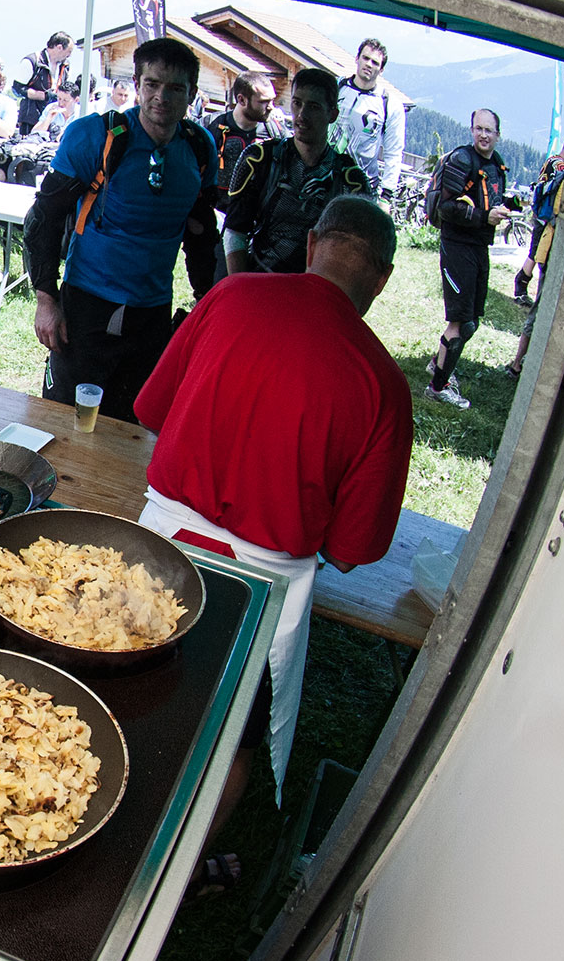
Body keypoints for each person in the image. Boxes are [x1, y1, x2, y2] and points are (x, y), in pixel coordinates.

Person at [134, 196, 412, 834]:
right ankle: (188, 861)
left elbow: (153, 412)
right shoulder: (383, 386)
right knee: (235, 735)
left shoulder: (230, 297)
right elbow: (350, 549)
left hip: (159, 540)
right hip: (261, 586)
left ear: (313, 244)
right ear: (383, 278)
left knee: (129, 669)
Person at [23, 36, 220, 422]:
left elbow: (201, 234)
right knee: (66, 418)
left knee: (135, 423)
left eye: (175, 88)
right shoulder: (95, 136)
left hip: (152, 312)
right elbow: (43, 219)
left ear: (192, 93)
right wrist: (46, 300)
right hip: (87, 305)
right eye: (152, 84)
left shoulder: (199, 148)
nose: (161, 97)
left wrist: (206, 305)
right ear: (137, 83)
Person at [222, 68, 372, 275]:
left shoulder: (349, 179)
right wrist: (238, 285)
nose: (302, 115)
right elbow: (235, 230)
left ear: (332, 114)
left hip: (317, 286)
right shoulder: (259, 159)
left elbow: (357, 249)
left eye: (314, 107)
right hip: (259, 277)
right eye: (297, 103)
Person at [422, 108, 518, 408]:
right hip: (458, 245)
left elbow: (490, 200)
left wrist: (510, 206)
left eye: (489, 130)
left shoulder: (496, 164)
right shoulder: (462, 160)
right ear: (471, 130)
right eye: (478, 129)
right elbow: (447, 209)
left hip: (478, 246)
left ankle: (439, 364)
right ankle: (437, 386)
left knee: (472, 321)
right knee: (461, 321)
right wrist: (484, 217)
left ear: (498, 134)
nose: (483, 135)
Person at [192, 72, 281, 296]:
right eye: (264, 102)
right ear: (241, 100)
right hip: (214, 219)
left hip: (255, 226)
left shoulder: (276, 135)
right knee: (210, 286)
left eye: (272, 100)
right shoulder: (210, 128)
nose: (271, 107)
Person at [332, 38, 407, 199]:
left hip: (361, 186)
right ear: (356, 58)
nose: (369, 64)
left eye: (375, 62)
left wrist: (386, 196)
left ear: (381, 70)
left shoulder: (390, 104)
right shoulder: (336, 87)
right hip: (325, 175)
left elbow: (394, 152)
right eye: (365, 58)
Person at [512, 143, 564, 304]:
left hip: (539, 213)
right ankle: (521, 286)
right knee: (537, 252)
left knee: (536, 251)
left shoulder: (551, 160)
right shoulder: (560, 165)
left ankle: (522, 285)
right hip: (545, 216)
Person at [15, 32, 73, 136]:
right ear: (59, 47)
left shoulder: (65, 65)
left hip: (55, 119)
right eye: (69, 51)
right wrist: (44, 96)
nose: (69, 55)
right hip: (32, 117)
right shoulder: (32, 61)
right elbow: (17, 89)